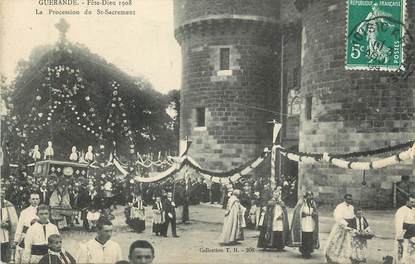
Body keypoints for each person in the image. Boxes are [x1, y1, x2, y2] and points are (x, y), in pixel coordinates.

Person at [325, 194, 355, 263]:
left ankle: (345, 259)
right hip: (341, 226)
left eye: (350, 199)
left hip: (349, 227)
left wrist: (352, 223)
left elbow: (352, 216)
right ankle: (333, 258)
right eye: (348, 199)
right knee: (337, 242)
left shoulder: (351, 207)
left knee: (347, 243)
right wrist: (345, 223)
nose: (349, 200)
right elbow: (337, 216)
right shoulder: (340, 206)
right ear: (345, 199)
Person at [290, 191, 319, 258]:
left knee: (310, 237)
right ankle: (304, 251)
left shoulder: (313, 204)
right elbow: (297, 212)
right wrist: (303, 214)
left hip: (310, 222)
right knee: (305, 237)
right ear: (306, 196)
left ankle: (309, 251)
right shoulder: (301, 203)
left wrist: (314, 214)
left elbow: (315, 213)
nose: (310, 197)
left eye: (311, 196)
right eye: (309, 196)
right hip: (304, 222)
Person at [14, 192, 40, 264]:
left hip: (38, 236)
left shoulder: (42, 211)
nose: (35, 201)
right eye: (33, 199)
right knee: (25, 254)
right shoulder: (24, 212)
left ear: (39, 200)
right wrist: (16, 240)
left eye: (37, 199)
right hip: (26, 235)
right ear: (29, 200)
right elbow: (20, 227)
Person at [395, 196, 415, 264]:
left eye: (414, 202)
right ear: (407, 201)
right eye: (412, 202)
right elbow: (399, 223)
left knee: (412, 251)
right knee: (404, 251)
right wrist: (399, 236)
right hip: (404, 234)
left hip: (413, 233)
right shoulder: (401, 210)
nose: (413, 203)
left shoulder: (413, 210)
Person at [0, 187, 18, 263]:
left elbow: (14, 221)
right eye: (0, 193)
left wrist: (8, 224)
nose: (1, 195)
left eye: (3, 193)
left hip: (5, 232)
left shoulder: (9, 205)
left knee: (4, 248)